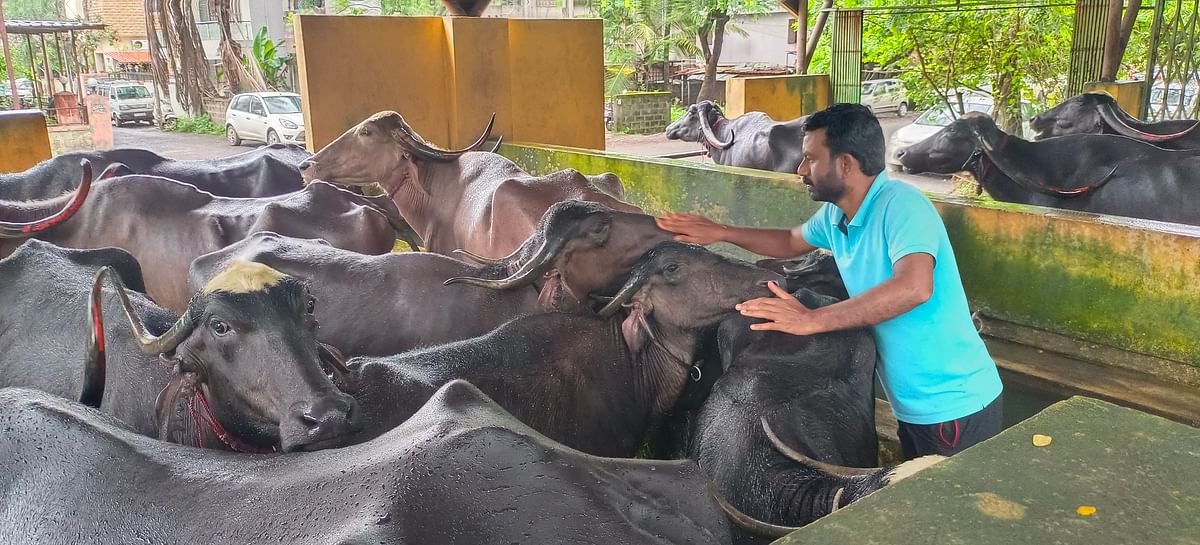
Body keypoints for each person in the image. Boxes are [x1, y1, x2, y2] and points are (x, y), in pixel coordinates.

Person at [656, 103, 1003, 460]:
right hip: (914, 405)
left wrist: (811, 320)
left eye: (810, 158)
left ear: (846, 164)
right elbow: (791, 240)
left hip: (954, 404)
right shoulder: (838, 214)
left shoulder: (902, 205)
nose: (800, 169)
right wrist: (720, 232)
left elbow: (914, 287)